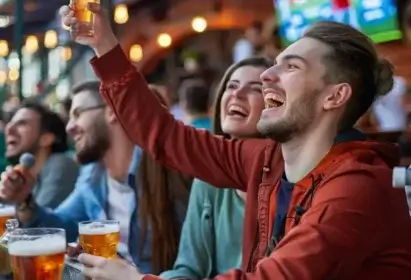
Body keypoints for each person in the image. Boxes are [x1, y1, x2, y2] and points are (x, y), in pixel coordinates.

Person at [58, 4, 411, 279]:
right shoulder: (265, 159)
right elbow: (165, 136)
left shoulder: (359, 187)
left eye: (291, 67)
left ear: (334, 97)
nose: (268, 76)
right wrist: (103, 43)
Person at [0, 81, 191, 274]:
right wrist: (25, 200)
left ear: (111, 111)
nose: (69, 127)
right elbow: (63, 226)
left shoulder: (168, 171)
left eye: (77, 114)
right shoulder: (93, 175)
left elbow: (193, 267)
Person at [161, 57, 271, 279]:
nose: (236, 94)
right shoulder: (207, 179)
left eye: (255, 89)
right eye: (231, 86)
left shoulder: (290, 181)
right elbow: (188, 269)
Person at [4, 101, 78, 209]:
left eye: (22, 123)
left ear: (46, 139)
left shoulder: (60, 164)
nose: (8, 129)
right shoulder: (30, 176)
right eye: (10, 123)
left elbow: (39, 223)